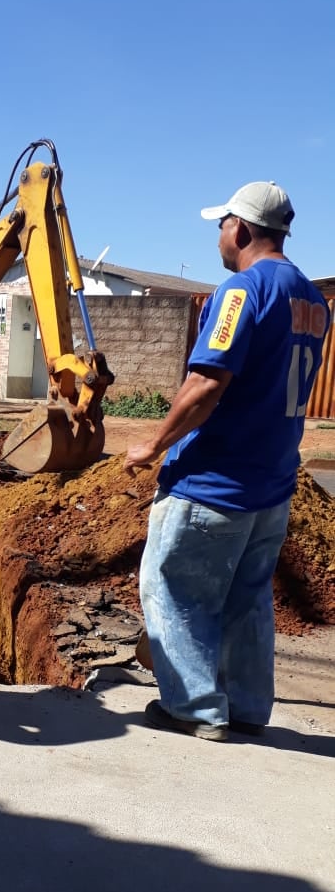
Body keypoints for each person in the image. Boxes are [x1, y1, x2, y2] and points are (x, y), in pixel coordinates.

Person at [124, 181, 330, 741]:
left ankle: (192, 709)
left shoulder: (240, 292)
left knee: (174, 589)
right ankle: (244, 707)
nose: (219, 235)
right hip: (272, 484)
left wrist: (153, 444)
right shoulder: (313, 302)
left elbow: (206, 382)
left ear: (239, 227)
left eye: (221, 225)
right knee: (247, 600)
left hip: (213, 483)